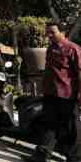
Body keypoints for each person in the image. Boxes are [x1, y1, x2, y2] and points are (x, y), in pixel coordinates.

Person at [23, 22, 81, 162]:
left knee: (73, 129)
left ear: (63, 32)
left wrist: (79, 96)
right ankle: (41, 157)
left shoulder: (73, 49)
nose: (49, 35)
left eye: (52, 32)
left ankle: (76, 159)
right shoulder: (50, 48)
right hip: (50, 95)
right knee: (49, 126)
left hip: (67, 97)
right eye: (47, 32)